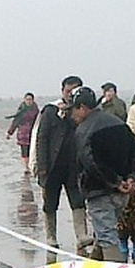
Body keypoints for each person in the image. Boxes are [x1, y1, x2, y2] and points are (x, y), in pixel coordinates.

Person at [67, 87, 135, 263]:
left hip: (99, 191)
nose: (71, 115)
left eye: (73, 110)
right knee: (104, 232)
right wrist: (131, 178)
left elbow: (91, 163)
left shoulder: (83, 130)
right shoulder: (119, 123)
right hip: (123, 190)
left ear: (83, 107)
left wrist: (115, 182)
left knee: (107, 236)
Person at [31, 76, 88, 249]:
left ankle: (82, 236)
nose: (70, 95)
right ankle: (51, 237)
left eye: (74, 92)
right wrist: (40, 166)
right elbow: (42, 138)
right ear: (62, 91)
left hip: (74, 165)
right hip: (52, 165)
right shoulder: (50, 110)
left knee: (78, 201)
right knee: (50, 203)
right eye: (68, 91)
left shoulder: (82, 111)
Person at [6, 92, 40, 171]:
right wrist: (9, 133)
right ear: (24, 100)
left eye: (30, 99)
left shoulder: (36, 110)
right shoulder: (21, 110)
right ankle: (26, 167)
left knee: (32, 151)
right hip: (23, 134)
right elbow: (15, 122)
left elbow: (39, 121)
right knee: (24, 151)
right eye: (27, 99)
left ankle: (31, 166)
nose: (29, 101)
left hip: (33, 133)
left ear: (33, 100)